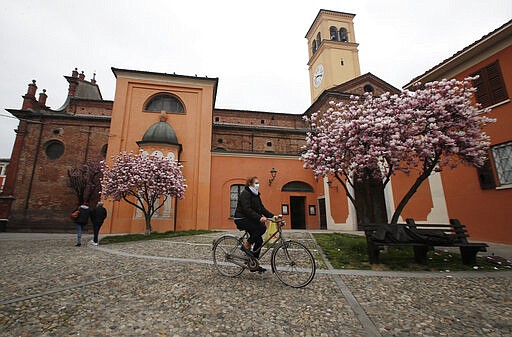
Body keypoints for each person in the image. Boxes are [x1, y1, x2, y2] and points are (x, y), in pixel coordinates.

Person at [234, 176, 274, 272]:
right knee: (261, 228)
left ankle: (253, 263)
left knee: (259, 241)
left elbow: (261, 208)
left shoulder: (256, 194)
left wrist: (273, 216)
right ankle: (246, 245)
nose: (258, 185)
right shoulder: (245, 193)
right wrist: (259, 218)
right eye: (256, 183)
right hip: (241, 218)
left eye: (258, 183)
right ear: (250, 184)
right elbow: (246, 209)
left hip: (249, 218)